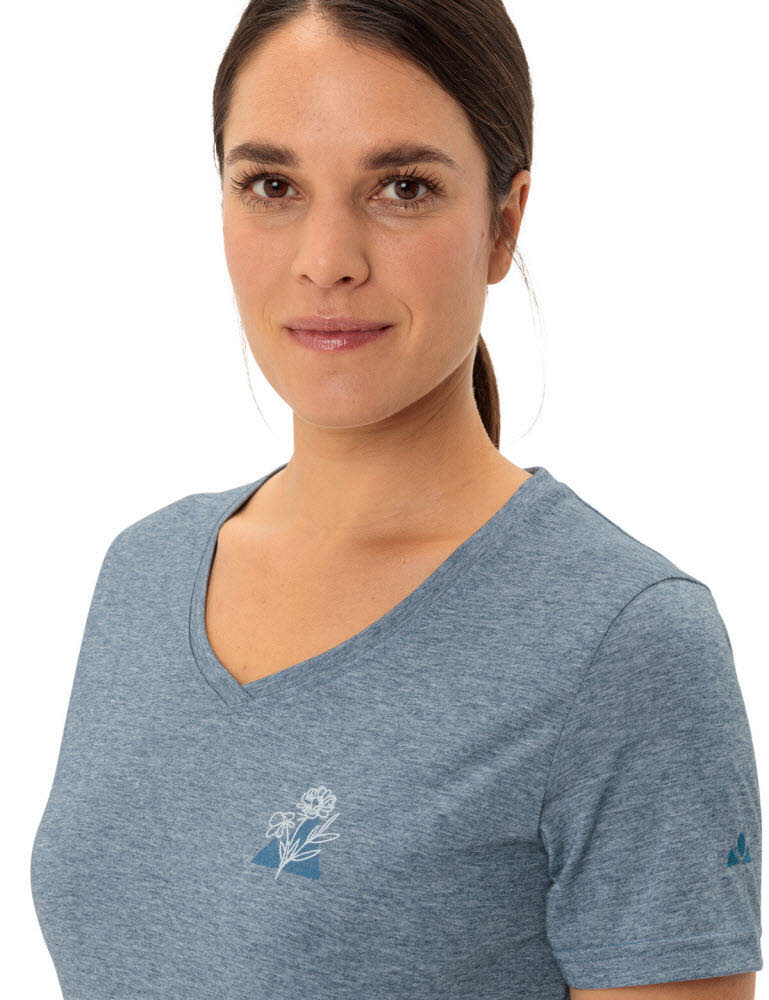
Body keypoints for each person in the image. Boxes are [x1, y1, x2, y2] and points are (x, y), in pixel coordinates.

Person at [29, 2, 761, 998]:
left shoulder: (621, 641)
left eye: (403, 187)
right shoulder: (144, 571)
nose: (326, 257)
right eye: (272, 185)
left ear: (502, 224)